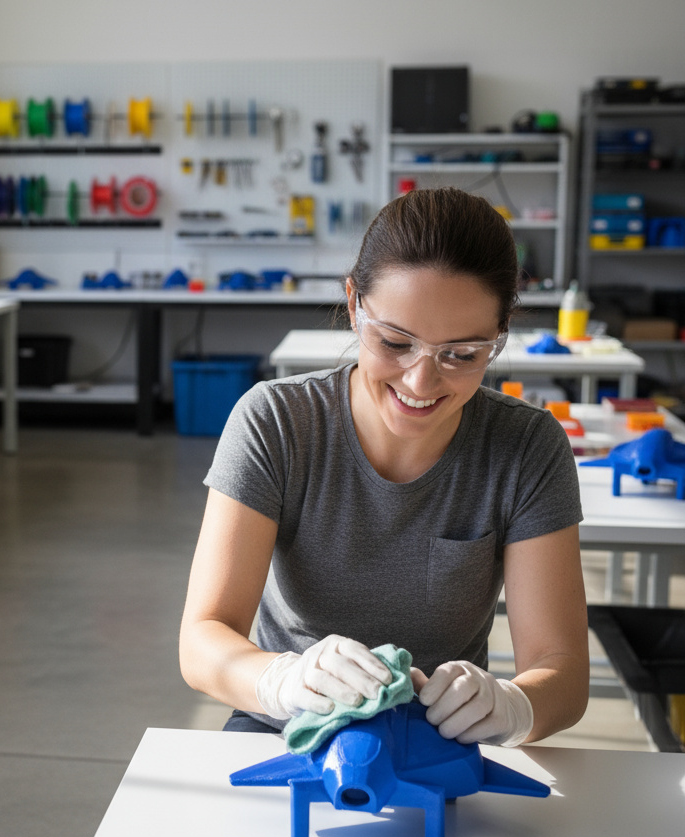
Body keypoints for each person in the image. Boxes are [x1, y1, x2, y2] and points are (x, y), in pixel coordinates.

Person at [179, 187, 589, 746]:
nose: (421, 383)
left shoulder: (526, 447)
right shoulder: (276, 422)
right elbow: (204, 639)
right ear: (354, 306)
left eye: (462, 354)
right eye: (395, 342)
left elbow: (561, 669)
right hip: (286, 728)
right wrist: (282, 680)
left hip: (443, 741)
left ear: (500, 336)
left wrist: (515, 704)